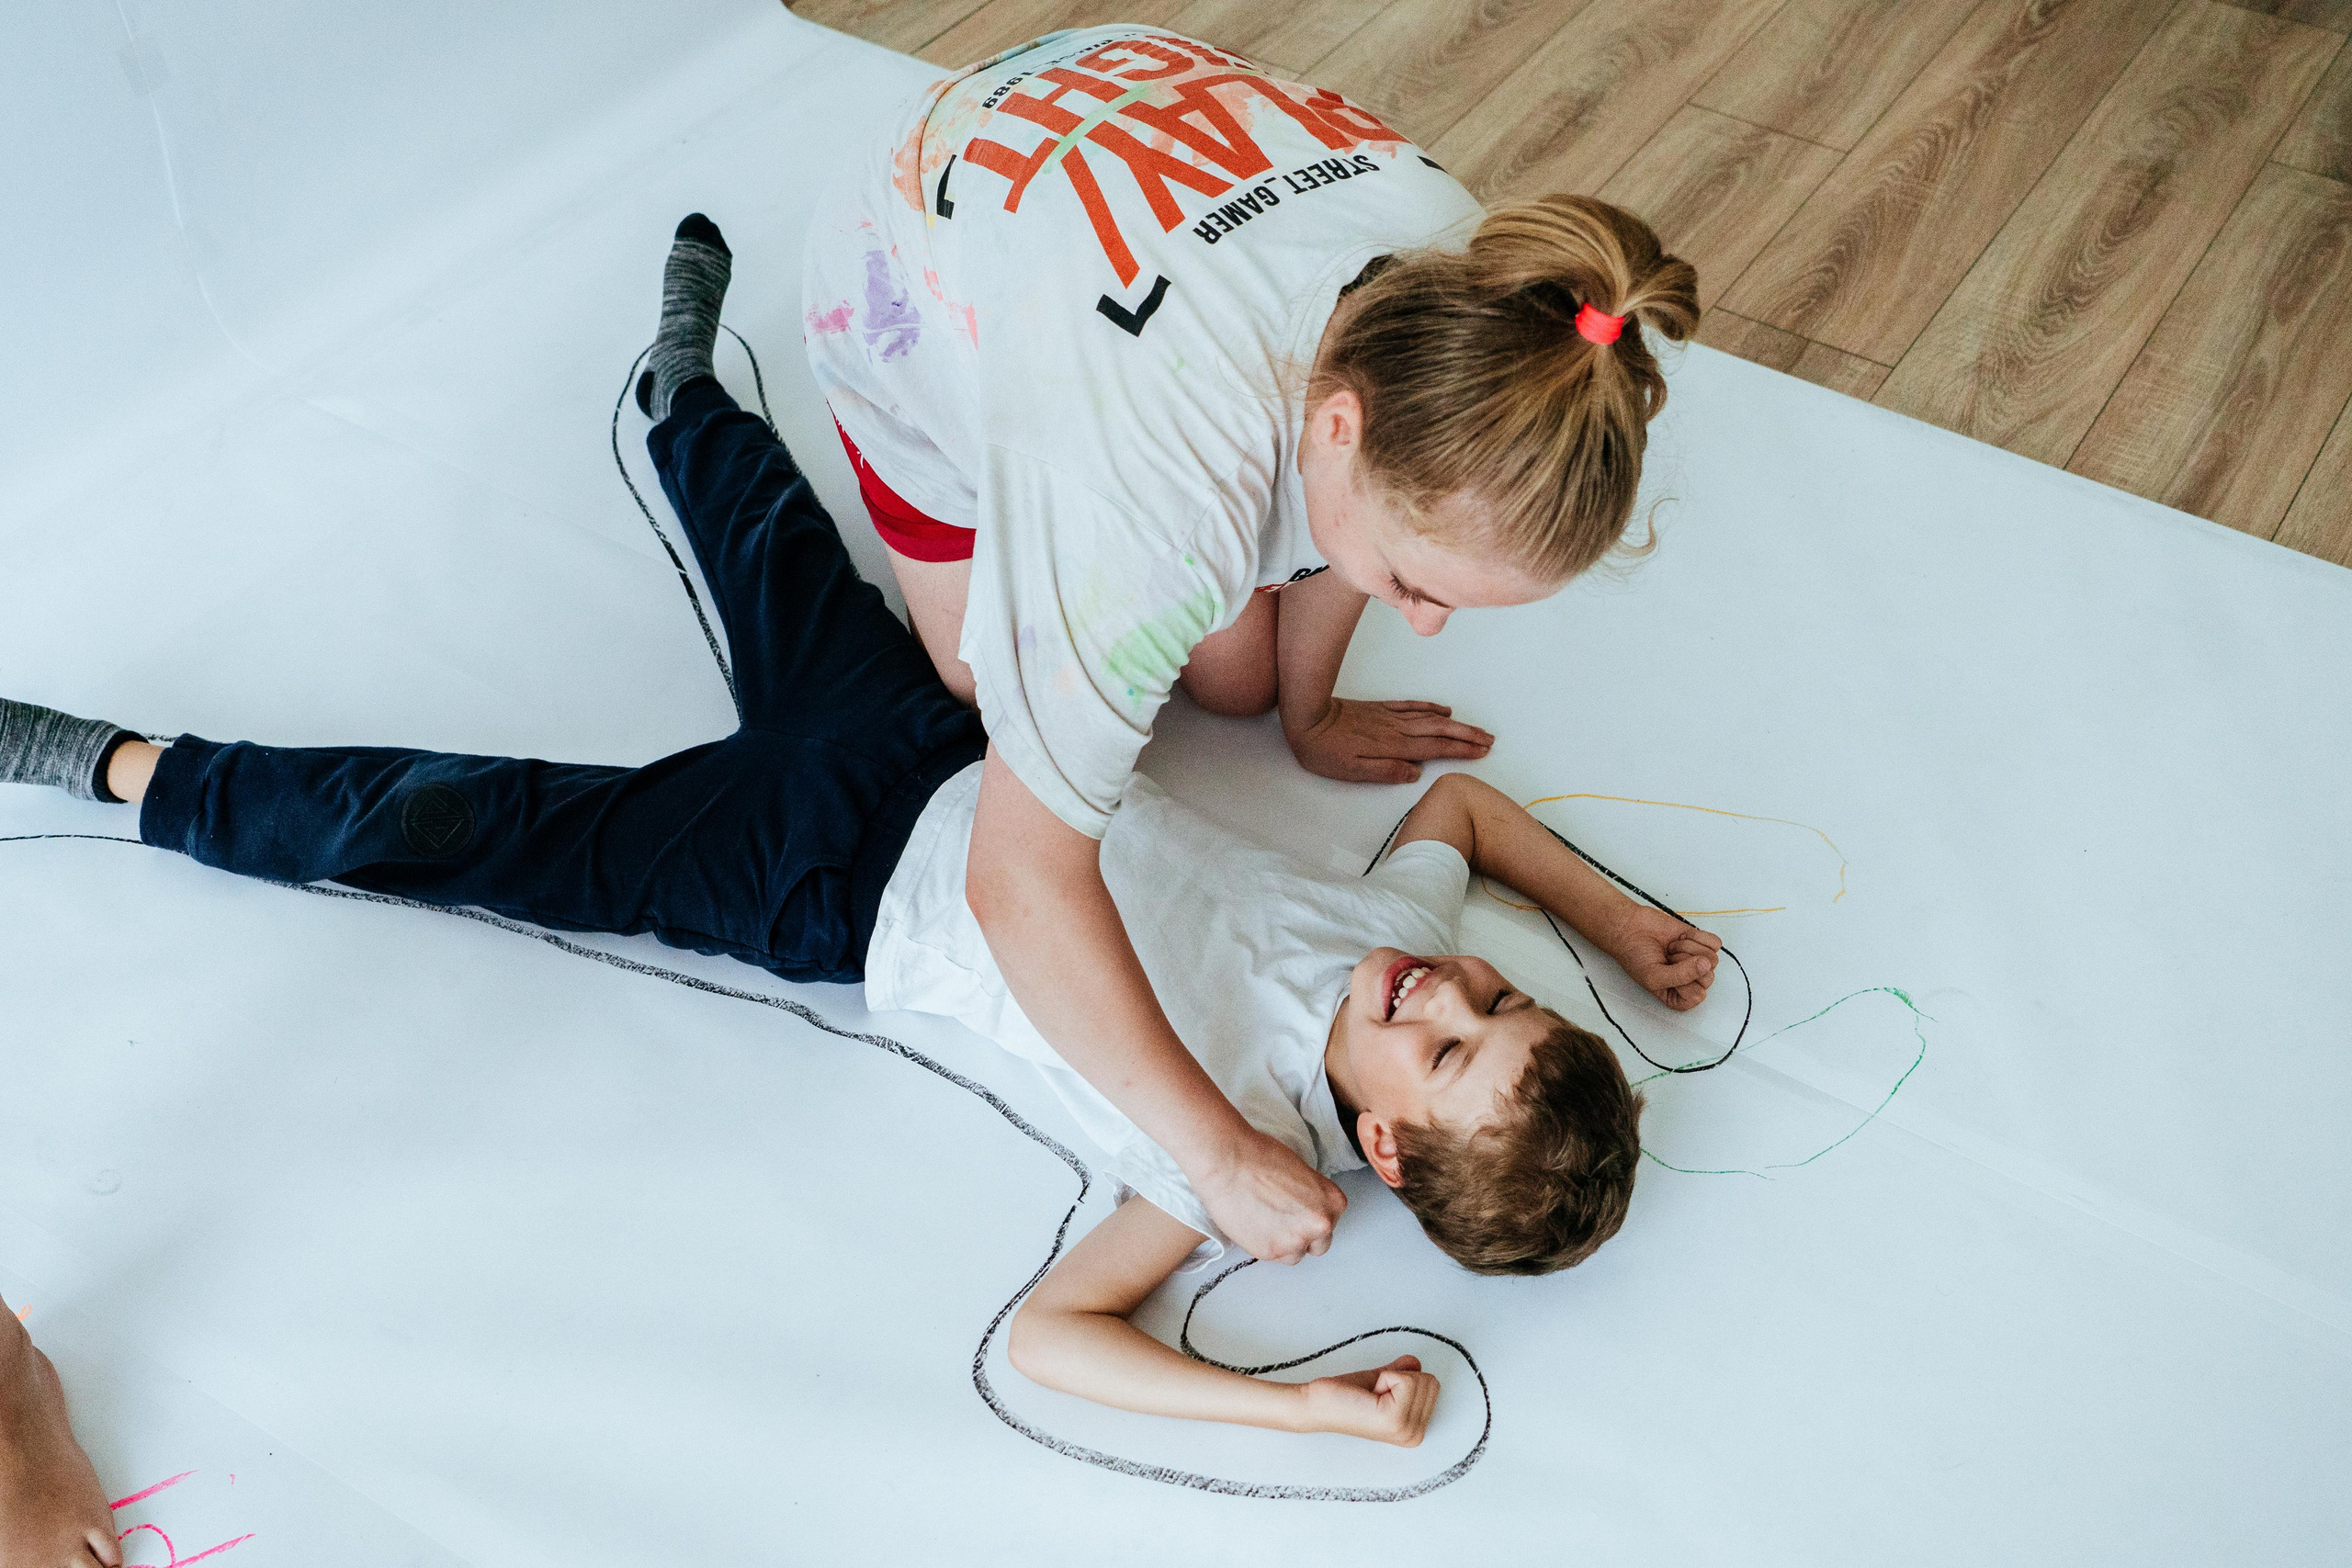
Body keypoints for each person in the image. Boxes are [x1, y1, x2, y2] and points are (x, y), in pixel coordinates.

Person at [0, 219, 1718, 1477]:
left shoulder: (1254, 1155)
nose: (1442, 987)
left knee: (477, 828)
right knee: (781, 556)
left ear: (1389, 1156)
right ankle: (685, 395)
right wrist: (1622, 928)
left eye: (1438, 1047)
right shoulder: (1389, 942)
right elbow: (1472, 823)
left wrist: (1298, 1404)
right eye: (1496, 997)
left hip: (819, 882)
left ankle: (132, 771)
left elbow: (1057, 1344)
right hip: (957, 754)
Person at [800, 25, 1701, 1267]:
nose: (1423, 626)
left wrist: (1307, 710)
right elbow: (1013, 882)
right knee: (966, 689)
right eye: (1410, 585)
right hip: (907, 251)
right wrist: (1217, 1155)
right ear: (1333, 428)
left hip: (1111, 118)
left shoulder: (1488, 309)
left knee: (1224, 677)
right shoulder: (1143, 504)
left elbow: (1355, 529)